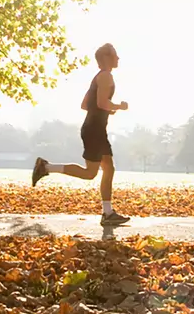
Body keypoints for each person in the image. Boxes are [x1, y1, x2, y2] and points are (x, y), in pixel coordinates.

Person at [31, 43, 131, 226]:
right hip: (94, 130)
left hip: (94, 128)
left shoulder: (98, 77)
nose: (118, 58)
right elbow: (101, 103)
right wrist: (118, 106)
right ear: (106, 58)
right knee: (90, 173)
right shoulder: (106, 77)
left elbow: (86, 105)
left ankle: (108, 213)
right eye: (115, 55)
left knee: (108, 168)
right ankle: (45, 167)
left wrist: (107, 110)